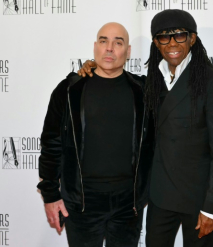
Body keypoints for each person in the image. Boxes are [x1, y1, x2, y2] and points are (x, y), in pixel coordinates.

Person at [79, 9, 213, 247]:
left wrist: (212, 208)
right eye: (164, 37)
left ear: (192, 39)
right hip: (159, 198)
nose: (172, 43)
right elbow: (116, 78)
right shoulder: (150, 83)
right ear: (155, 43)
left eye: (179, 35)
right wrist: (90, 68)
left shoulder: (212, 84)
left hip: (197, 200)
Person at [37, 22, 153, 247]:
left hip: (128, 205)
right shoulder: (69, 90)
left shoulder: (143, 91)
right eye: (103, 41)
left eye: (118, 42)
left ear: (128, 51)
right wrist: (50, 195)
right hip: (81, 204)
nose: (109, 48)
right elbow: (51, 143)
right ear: (95, 47)